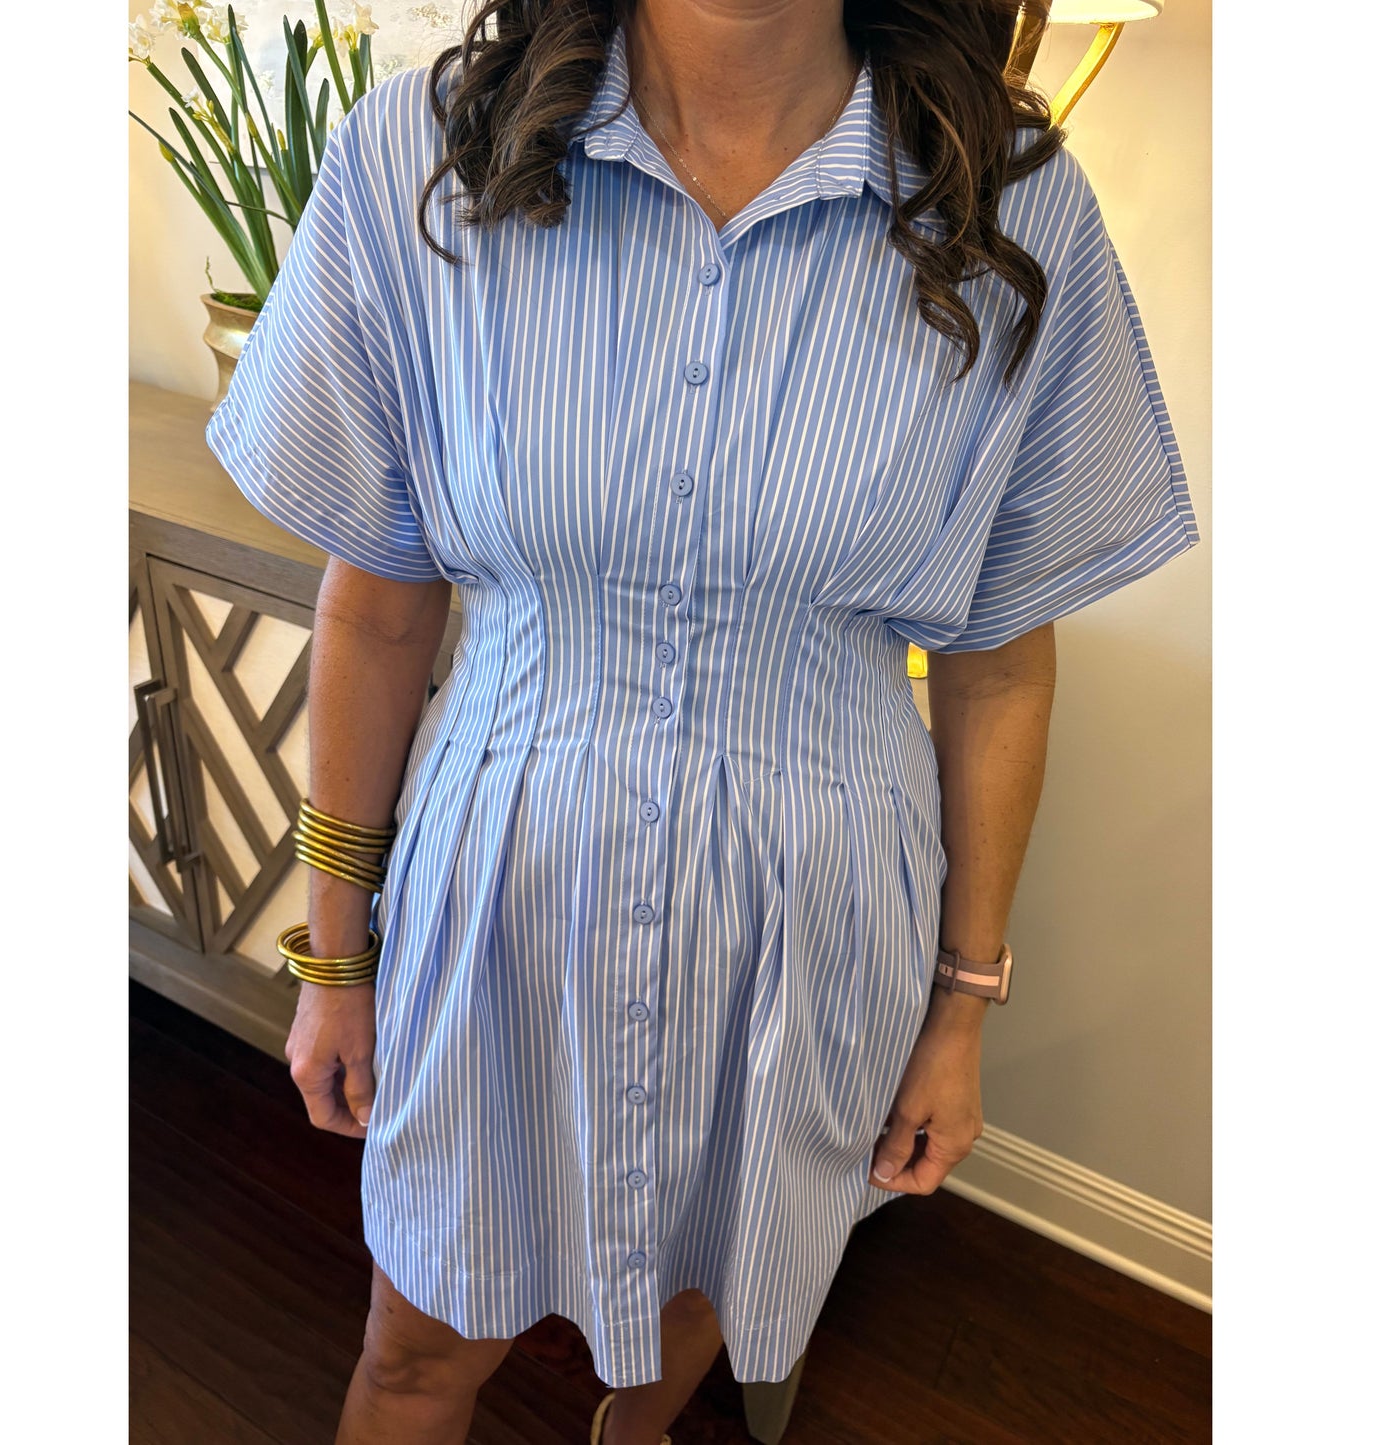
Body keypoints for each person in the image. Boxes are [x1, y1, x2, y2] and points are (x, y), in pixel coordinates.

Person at [204, 1, 1202, 1441]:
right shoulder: (422, 160)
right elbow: (376, 604)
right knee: (415, 1354)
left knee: (699, 1299)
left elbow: (996, 660)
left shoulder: (1011, 203)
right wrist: (332, 954)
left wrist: (960, 1005)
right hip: (499, 912)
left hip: (812, 934)